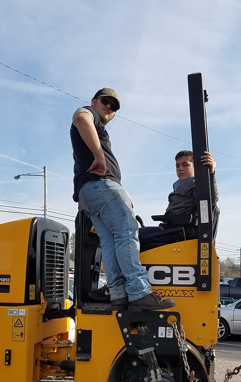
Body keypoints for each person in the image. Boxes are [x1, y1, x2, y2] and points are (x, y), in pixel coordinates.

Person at [70, 87, 175, 311]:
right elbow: (80, 118)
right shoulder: (88, 114)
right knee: (128, 234)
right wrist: (100, 157)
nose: (109, 107)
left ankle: (118, 294)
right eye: (105, 102)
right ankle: (139, 292)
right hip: (100, 186)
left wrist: (119, 188)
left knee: (109, 241)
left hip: (88, 192)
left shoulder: (95, 128)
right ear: (94, 101)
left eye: (114, 106)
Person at [138, 150, 219, 243]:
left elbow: (211, 198)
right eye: (177, 166)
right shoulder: (180, 186)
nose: (180, 168)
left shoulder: (194, 184)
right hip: (171, 229)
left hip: (177, 232)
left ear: (196, 167)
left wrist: (211, 173)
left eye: (185, 165)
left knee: (130, 236)